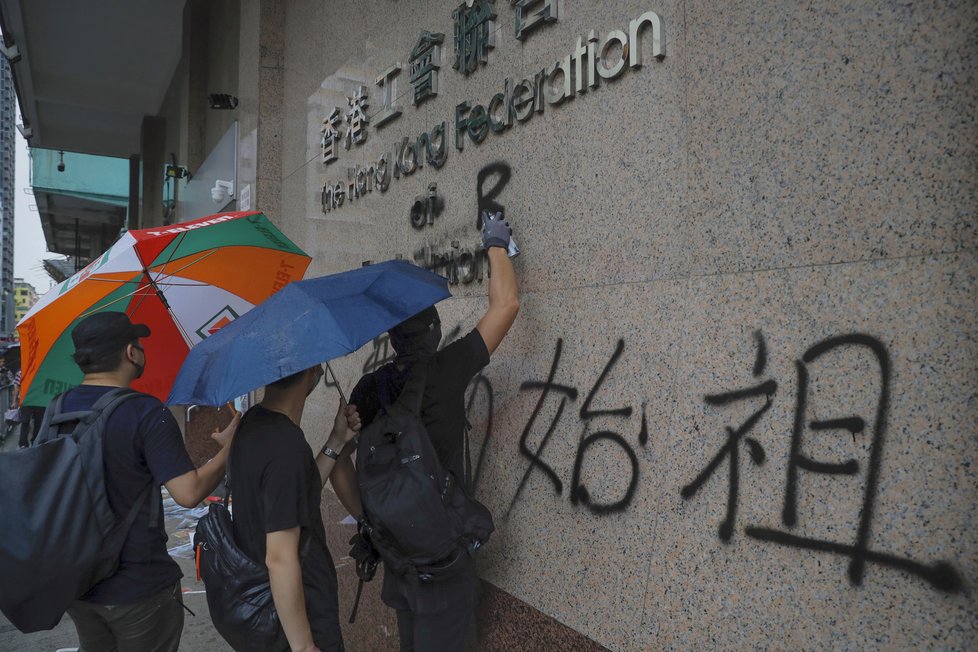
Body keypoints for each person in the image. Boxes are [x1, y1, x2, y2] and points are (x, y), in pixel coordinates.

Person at [338, 211, 520, 651]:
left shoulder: (367, 387)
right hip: (441, 557)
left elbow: (336, 460)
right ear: (434, 330)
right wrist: (496, 242)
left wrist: (370, 520)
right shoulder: (445, 370)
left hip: (398, 556)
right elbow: (506, 306)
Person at [61, 311, 240, 652]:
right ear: (130, 352)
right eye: (139, 344)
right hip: (138, 588)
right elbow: (188, 493)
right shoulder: (144, 411)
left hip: (77, 584)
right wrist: (229, 449)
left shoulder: (58, 409)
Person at [229, 364, 361, 652]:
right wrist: (304, 646)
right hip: (295, 618)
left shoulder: (255, 422)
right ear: (313, 369)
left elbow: (297, 496)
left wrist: (336, 440)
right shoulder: (285, 445)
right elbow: (280, 558)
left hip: (266, 612)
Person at [13, 368, 44, 448]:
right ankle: (23, 443)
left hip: (39, 400)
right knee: (25, 421)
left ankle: (35, 441)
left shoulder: (42, 370)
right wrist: (14, 400)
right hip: (26, 400)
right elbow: (17, 387)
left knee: (38, 422)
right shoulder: (21, 372)